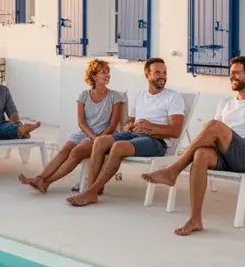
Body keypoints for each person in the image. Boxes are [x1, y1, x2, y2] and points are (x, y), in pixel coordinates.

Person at [143, 56, 245, 236]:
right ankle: (195, 219)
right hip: (225, 154)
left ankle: (173, 170)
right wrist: (223, 141)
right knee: (200, 154)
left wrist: (228, 139)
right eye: (230, 74)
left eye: (237, 73)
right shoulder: (226, 103)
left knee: (214, 126)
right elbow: (215, 135)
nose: (232, 77)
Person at [67, 57, 185, 207]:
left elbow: (175, 131)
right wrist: (128, 126)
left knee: (118, 147)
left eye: (164, 73)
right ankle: (92, 190)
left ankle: (91, 191)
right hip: (134, 135)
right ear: (147, 75)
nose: (162, 76)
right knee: (100, 141)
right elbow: (129, 121)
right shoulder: (140, 95)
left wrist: (151, 127)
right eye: (157, 73)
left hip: (156, 141)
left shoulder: (173, 97)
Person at [19, 59, 124, 194]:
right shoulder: (84, 95)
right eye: (103, 72)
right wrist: (91, 135)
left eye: (108, 72)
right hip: (85, 133)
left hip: (104, 136)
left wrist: (97, 139)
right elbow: (81, 122)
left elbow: (113, 124)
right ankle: (40, 178)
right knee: (65, 150)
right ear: (93, 76)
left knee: (75, 153)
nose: (107, 75)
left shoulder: (115, 96)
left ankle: (46, 182)